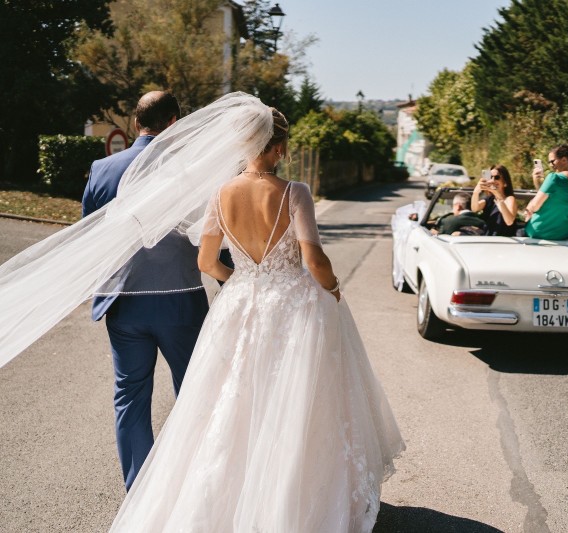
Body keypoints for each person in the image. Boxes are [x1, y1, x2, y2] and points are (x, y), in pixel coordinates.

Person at [108, 102, 404, 531]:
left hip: (240, 303)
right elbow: (314, 257)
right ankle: (287, 499)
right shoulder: (294, 192)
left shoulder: (220, 193)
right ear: (279, 148)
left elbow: (207, 262)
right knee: (295, 399)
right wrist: (333, 286)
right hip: (292, 305)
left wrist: (243, 280)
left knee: (232, 400)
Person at [81, 91, 210, 491]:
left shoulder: (103, 168)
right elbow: (211, 233)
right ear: (175, 123)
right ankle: (191, 488)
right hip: (181, 300)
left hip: (123, 301)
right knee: (194, 394)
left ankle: (140, 491)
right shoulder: (193, 172)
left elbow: (92, 232)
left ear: (137, 124)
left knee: (130, 397)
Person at [523, 145, 568, 240]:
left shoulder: (554, 178)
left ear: (564, 160)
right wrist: (536, 181)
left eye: (552, 161)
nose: (550, 165)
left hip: (539, 231)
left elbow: (535, 206)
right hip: (561, 234)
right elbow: (550, 200)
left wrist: (529, 208)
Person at [470, 164, 518, 236]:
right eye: (491, 177)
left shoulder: (509, 199)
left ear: (505, 183)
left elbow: (509, 221)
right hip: (488, 239)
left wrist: (498, 196)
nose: (493, 180)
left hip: (505, 242)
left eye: (497, 177)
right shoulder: (489, 199)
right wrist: (476, 192)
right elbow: (474, 208)